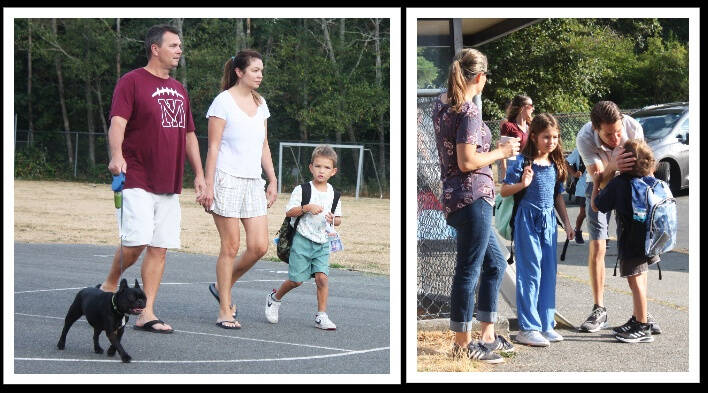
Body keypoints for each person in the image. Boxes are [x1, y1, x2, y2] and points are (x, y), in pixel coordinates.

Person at [99, 24, 207, 334]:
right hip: (136, 175)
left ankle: (146, 311)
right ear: (155, 49)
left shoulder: (179, 89)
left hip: (169, 180)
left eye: (180, 46)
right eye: (173, 45)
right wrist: (116, 155)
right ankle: (108, 285)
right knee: (137, 241)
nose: (179, 50)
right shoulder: (131, 81)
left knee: (159, 248)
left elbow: (189, 135)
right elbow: (117, 123)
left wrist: (199, 174)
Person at [432, 48, 520, 364]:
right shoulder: (467, 111)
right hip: (473, 198)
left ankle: (486, 335)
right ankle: (463, 343)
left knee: (495, 264)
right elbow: (467, 160)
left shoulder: (442, 105)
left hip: (459, 198)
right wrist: (502, 153)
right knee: (468, 271)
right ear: (480, 78)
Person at [200, 49, 278, 329]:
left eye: (261, 70)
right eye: (255, 70)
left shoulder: (261, 103)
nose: (260, 75)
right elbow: (213, 146)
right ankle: (224, 309)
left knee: (259, 246)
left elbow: (264, 145)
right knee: (230, 246)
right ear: (239, 72)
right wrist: (208, 185)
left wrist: (272, 178)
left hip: (253, 181)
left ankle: (223, 285)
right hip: (226, 179)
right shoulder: (223, 103)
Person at [575, 100, 656, 333]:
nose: (616, 138)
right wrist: (613, 165)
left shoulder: (633, 127)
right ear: (596, 129)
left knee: (639, 249)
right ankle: (599, 308)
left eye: (618, 132)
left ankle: (641, 313)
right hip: (600, 185)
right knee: (598, 246)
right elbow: (598, 177)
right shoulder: (585, 138)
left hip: (631, 186)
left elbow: (646, 168)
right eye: (609, 134)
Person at [500, 113, 574, 346]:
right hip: (527, 221)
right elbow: (504, 191)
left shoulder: (556, 163)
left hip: (548, 221)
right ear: (533, 137)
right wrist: (523, 184)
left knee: (548, 273)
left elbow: (557, 197)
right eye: (546, 137)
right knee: (530, 274)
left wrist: (568, 225)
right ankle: (528, 327)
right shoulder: (522, 161)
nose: (551, 142)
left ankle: (545, 323)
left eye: (555, 137)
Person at [265, 145, 342, 330]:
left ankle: (321, 315)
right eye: (318, 166)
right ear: (311, 168)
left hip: (322, 242)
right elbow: (289, 212)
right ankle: (274, 299)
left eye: (326, 167)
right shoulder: (303, 190)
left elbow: (338, 219)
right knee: (296, 281)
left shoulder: (334, 194)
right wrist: (306, 207)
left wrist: (334, 219)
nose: (321, 171)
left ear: (333, 171)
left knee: (322, 279)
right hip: (302, 240)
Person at [592, 139, 661, 342]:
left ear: (625, 161)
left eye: (619, 153)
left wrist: (597, 183)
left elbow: (597, 206)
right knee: (639, 280)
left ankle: (642, 327)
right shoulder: (648, 179)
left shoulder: (619, 183)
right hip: (651, 239)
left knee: (636, 281)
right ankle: (637, 318)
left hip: (632, 242)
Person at [498, 95, 534, 177]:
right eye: (531, 106)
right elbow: (502, 149)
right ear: (522, 107)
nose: (533, 109)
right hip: (514, 168)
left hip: (530, 168)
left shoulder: (531, 126)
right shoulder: (508, 126)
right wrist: (504, 169)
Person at [565, 147, 588, 244]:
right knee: (584, 212)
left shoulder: (601, 147)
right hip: (583, 186)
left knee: (601, 212)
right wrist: (574, 174)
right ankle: (577, 231)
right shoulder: (579, 149)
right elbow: (566, 162)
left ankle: (603, 236)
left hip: (599, 184)